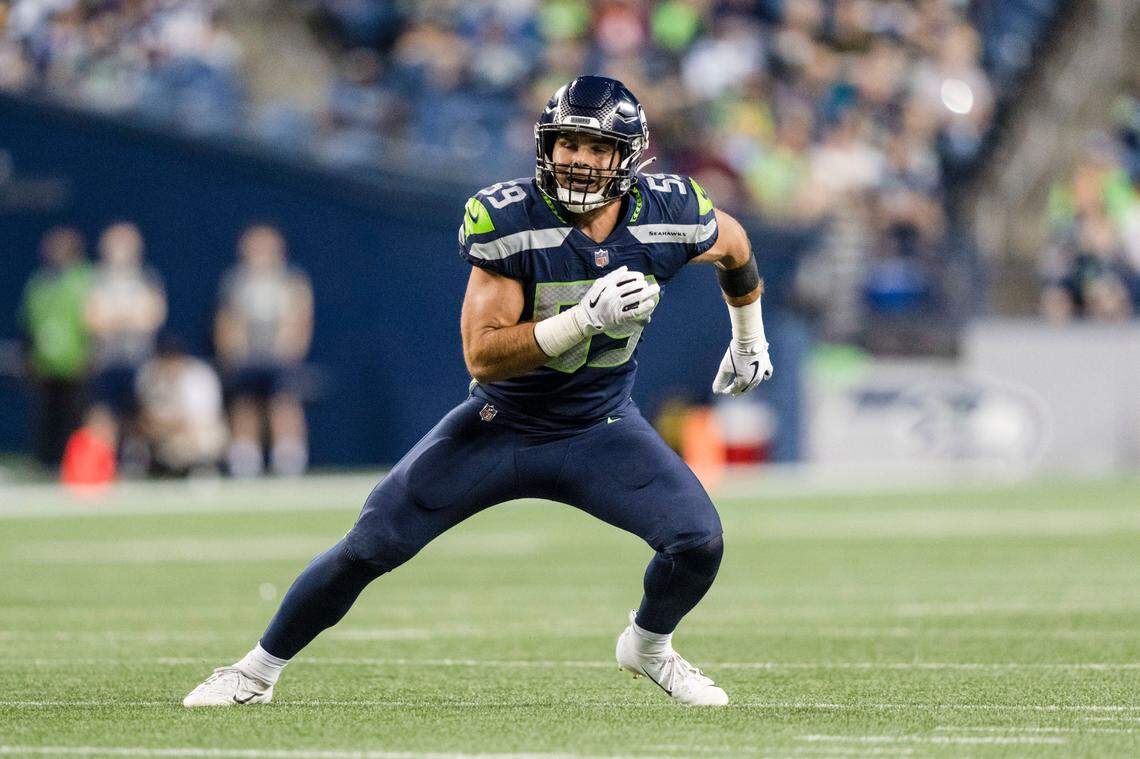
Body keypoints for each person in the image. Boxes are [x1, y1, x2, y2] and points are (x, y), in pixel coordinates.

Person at [183, 76, 772, 708]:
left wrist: (747, 336)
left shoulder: (669, 210)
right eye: (565, 143)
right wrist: (583, 320)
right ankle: (254, 672)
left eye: (594, 147)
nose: (575, 159)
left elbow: (735, 247)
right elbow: (484, 355)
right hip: (502, 424)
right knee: (372, 543)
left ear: (626, 157)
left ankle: (649, 647)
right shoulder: (511, 216)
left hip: (600, 428)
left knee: (698, 541)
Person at [214, 225, 314, 477]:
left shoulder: (291, 279)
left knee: (284, 399)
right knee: (245, 401)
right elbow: (226, 321)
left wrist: (290, 351)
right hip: (246, 356)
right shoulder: (236, 281)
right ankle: (245, 458)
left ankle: (289, 457)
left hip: (280, 356)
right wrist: (233, 354)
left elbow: (300, 318)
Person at [84, 222, 167, 466]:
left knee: (140, 412)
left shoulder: (146, 277)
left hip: (138, 358)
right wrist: (126, 319)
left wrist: (117, 319)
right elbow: (92, 319)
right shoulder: (97, 279)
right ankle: (100, 462)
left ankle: (137, 460)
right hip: (106, 359)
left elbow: (153, 316)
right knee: (102, 412)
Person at [18, 227, 93, 469]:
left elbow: (92, 320)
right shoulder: (39, 282)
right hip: (45, 363)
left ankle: (74, 464)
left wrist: (90, 353)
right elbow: (28, 321)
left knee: (74, 417)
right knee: (45, 417)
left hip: (76, 362)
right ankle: (44, 462)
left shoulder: (85, 278)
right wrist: (29, 355)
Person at [135, 335, 228, 477]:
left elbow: (203, 419)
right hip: (164, 436)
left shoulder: (200, 376)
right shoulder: (148, 376)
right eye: (165, 360)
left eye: (172, 360)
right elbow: (146, 419)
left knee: (209, 438)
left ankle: (202, 468)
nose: (169, 366)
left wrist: (172, 423)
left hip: (198, 432)